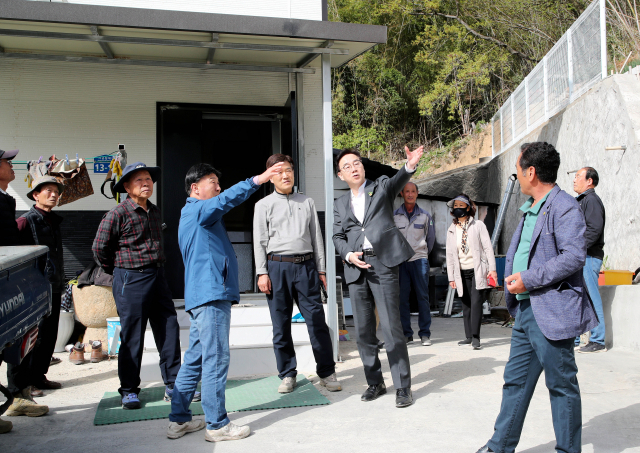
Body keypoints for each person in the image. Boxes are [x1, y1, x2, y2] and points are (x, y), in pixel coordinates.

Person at [476, 142, 597, 453]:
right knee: (515, 382)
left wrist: (527, 278)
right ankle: (499, 446)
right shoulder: (532, 207)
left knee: (561, 386)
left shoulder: (565, 207)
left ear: (531, 171)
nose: (517, 175)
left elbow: (573, 257)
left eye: (518, 170)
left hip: (552, 311)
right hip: (527, 311)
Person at [167, 162, 283, 443]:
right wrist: (258, 180)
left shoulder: (190, 214)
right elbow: (224, 201)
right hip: (211, 294)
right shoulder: (199, 210)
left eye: (218, 182)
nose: (218, 187)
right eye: (212, 182)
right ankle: (217, 424)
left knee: (194, 359)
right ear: (195, 188)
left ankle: (179, 420)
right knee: (216, 358)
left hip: (201, 295)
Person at [332, 145, 423, 408]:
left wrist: (409, 166)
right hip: (356, 267)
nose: (354, 168)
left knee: (392, 327)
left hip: (382, 263)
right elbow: (338, 236)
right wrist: (349, 255)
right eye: (347, 166)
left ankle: (403, 386)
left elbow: (398, 181)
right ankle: (375, 382)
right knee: (362, 331)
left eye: (356, 163)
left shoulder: (380, 187)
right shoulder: (339, 203)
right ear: (341, 175)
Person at [93, 162, 183, 410]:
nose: (146, 184)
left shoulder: (154, 211)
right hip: (130, 279)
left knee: (169, 329)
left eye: (149, 180)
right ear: (126, 187)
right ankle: (129, 390)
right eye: (139, 180)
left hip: (158, 277)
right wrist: (118, 271)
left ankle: (174, 385)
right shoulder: (117, 214)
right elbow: (99, 249)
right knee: (133, 336)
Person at [253, 154, 341, 394]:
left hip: (306, 267)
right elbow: (259, 241)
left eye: (289, 170)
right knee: (280, 325)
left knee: (316, 321)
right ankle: (287, 374)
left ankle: (326, 371)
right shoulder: (263, 206)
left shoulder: (307, 202)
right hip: (276, 268)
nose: (285, 175)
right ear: (271, 176)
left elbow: (316, 238)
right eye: (279, 171)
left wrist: (321, 268)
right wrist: (262, 273)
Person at [6, 177, 66, 418]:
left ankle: (39, 377)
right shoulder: (25, 222)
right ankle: (25, 384)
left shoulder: (53, 221)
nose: (53, 195)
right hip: (33, 289)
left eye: (56, 192)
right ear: (35, 195)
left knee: (49, 333)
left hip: (53, 285)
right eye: (48, 191)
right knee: (32, 337)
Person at [0, 149, 48, 430]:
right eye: (6, 161)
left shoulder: (5, 199)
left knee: (15, 341)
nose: (11, 164)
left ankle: (18, 395)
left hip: (11, 284)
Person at [445, 193, 497, 350]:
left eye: (462, 206)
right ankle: (468, 336)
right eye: (456, 206)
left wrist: (492, 269)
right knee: (466, 303)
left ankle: (476, 337)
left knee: (476, 302)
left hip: (477, 269)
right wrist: (451, 277)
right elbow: (449, 255)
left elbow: (488, 248)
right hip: (461, 271)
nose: (458, 209)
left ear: (468, 208)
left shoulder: (478, 225)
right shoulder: (451, 229)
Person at [393, 182, 436, 346]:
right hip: (401, 261)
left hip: (419, 260)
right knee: (402, 299)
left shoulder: (425, 216)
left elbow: (431, 239)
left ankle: (425, 334)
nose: (410, 194)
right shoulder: (395, 216)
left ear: (417, 193)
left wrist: (422, 253)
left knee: (422, 297)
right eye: (407, 191)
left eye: (413, 191)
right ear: (401, 194)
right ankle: (407, 334)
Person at [573, 167, 606, 353]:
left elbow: (594, 230)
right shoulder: (583, 200)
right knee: (579, 298)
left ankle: (599, 341)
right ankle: (576, 340)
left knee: (592, 298)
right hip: (582, 257)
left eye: (578, 176)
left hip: (589, 256)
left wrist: (577, 249)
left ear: (589, 181)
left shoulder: (591, 200)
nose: (575, 179)